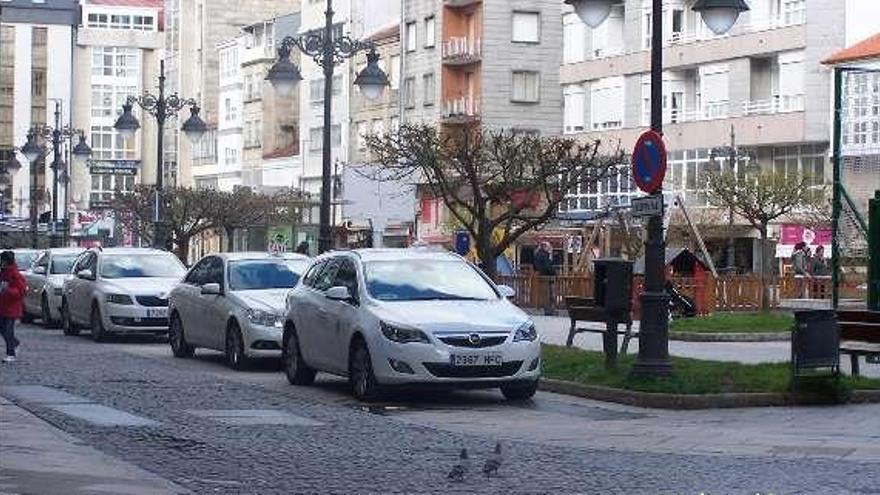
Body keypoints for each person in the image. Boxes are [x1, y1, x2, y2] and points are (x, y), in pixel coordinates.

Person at [0, 251, 27, 363]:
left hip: (12, 307)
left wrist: (8, 291)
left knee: (8, 331)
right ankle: (14, 343)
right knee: (3, 329)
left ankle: (10, 353)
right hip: (2, 306)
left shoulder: (15, 274)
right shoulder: (3, 273)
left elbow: (21, 291)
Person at [532, 242, 556, 315]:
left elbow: (535, 266)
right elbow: (547, 266)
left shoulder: (537, 254)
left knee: (544, 294)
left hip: (540, 275)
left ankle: (547, 309)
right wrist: (554, 272)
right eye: (549, 247)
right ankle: (549, 310)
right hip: (546, 276)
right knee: (548, 294)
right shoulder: (544, 255)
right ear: (545, 247)